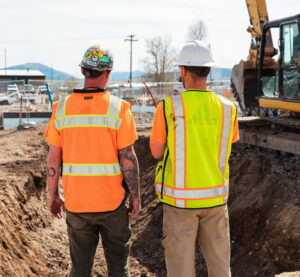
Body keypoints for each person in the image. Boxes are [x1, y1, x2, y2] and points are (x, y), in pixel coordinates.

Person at [44, 44, 140, 277]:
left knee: (79, 270)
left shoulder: (62, 109)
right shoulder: (119, 109)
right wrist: (136, 197)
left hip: (77, 205)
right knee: (119, 269)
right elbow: (128, 158)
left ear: (83, 71)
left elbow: (53, 158)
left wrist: (53, 195)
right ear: (108, 73)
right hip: (113, 205)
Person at [150, 40, 239, 277]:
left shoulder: (169, 107)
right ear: (208, 71)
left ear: (183, 70)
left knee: (180, 272)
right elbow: (226, 143)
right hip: (216, 201)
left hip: (180, 204)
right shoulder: (228, 108)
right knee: (221, 269)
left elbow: (156, 152)